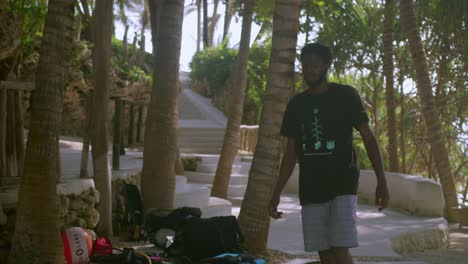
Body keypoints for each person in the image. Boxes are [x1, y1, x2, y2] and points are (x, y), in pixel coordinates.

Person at [269, 43, 390, 264]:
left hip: (342, 184)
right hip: (311, 187)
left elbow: (368, 138)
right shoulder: (297, 104)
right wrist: (276, 192)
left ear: (326, 65)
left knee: (339, 248)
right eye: (305, 65)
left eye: (315, 65)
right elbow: (290, 154)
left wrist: (382, 180)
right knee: (324, 251)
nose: (310, 70)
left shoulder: (346, 95)